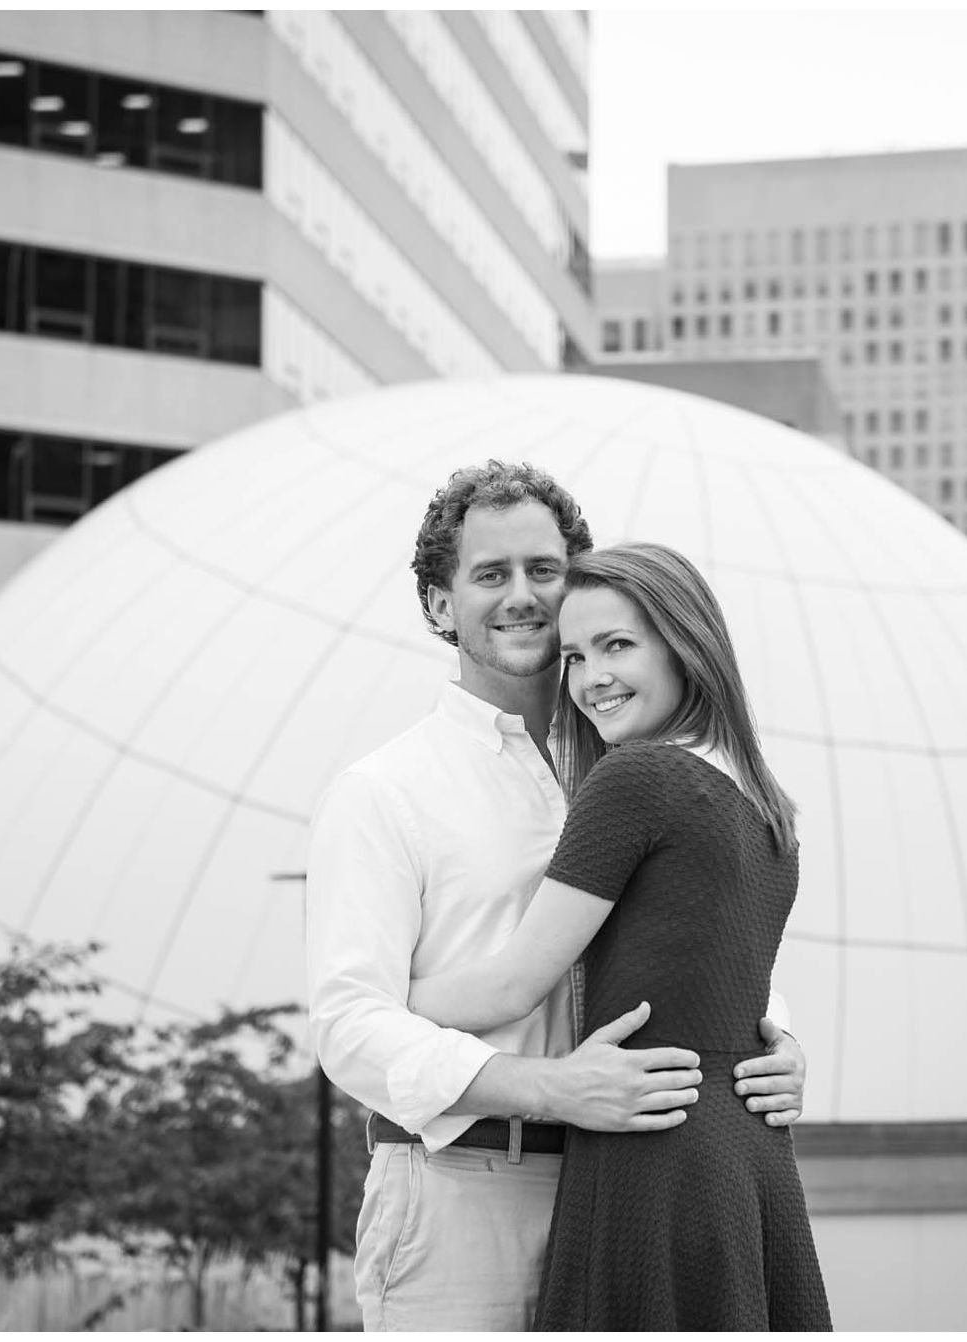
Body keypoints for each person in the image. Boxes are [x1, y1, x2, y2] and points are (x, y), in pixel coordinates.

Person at [304, 462, 808, 1331]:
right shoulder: (384, 791)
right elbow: (349, 1027)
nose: (523, 596)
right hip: (464, 1198)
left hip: (626, 1187)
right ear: (437, 605)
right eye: (489, 574)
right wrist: (551, 1090)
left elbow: (698, 936)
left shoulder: (634, 764)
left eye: (543, 570)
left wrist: (774, 1040)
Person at [408, 542, 832, 1331]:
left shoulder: (637, 780)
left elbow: (514, 984)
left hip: (652, 1147)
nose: (590, 677)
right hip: (749, 1157)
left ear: (686, 642)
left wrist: (381, 999)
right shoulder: (767, 807)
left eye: (617, 645)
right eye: (573, 655)